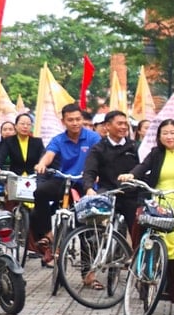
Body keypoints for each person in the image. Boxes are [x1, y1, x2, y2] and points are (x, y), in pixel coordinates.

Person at [119, 119, 174, 315]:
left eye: (173, 132)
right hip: (156, 204)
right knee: (149, 244)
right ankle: (144, 282)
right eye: (165, 133)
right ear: (159, 137)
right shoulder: (156, 154)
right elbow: (142, 167)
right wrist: (131, 175)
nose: (169, 136)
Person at [32, 104, 100, 265]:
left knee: (85, 227)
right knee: (40, 192)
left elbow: (100, 157)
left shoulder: (93, 138)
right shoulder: (58, 139)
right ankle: (49, 234)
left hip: (86, 184)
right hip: (64, 181)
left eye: (78, 119)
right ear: (63, 121)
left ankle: (88, 273)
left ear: (82, 119)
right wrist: (42, 164)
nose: (75, 123)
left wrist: (97, 174)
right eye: (70, 120)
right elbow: (49, 155)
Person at [82, 110, 141, 237]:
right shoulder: (98, 148)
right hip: (108, 192)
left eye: (126, 124)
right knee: (91, 221)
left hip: (131, 194)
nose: (124, 127)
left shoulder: (135, 147)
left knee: (138, 231)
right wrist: (89, 188)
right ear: (107, 126)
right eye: (119, 124)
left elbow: (143, 167)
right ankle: (93, 252)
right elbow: (90, 170)